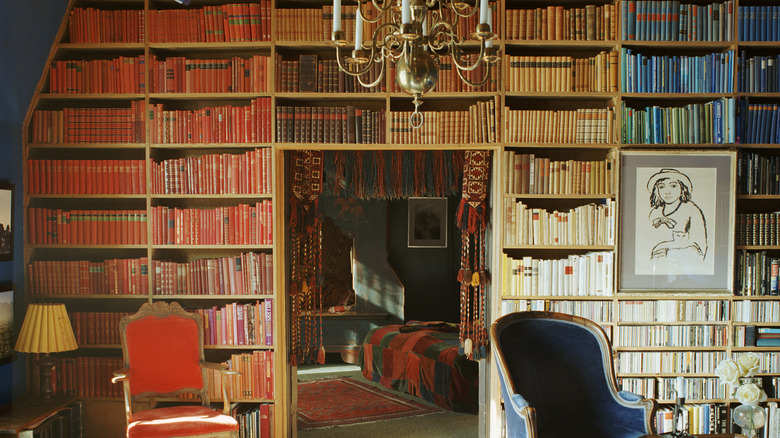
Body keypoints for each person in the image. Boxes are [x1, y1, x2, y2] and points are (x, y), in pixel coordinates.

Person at [646, 168, 707, 262]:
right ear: (656, 190)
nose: (667, 192)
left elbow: (700, 247)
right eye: (661, 187)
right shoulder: (655, 212)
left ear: (682, 188)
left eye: (673, 186)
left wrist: (669, 253)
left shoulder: (691, 209)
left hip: (681, 263)